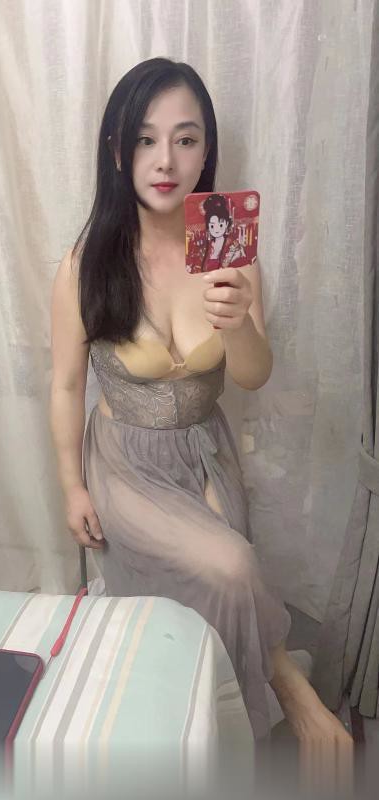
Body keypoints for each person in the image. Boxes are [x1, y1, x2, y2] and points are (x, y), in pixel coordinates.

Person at [50, 56, 353, 780]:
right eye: (146, 139)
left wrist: (238, 320)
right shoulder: (87, 263)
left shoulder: (228, 254)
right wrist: (72, 486)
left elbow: (252, 375)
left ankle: (210, 733)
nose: (166, 160)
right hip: (125, 460)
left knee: (222, 583)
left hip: (206, 450)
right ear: (117, 151)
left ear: (206, 150)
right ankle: (288, 688)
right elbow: (64, 385)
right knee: (231, 565)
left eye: (185, 139)